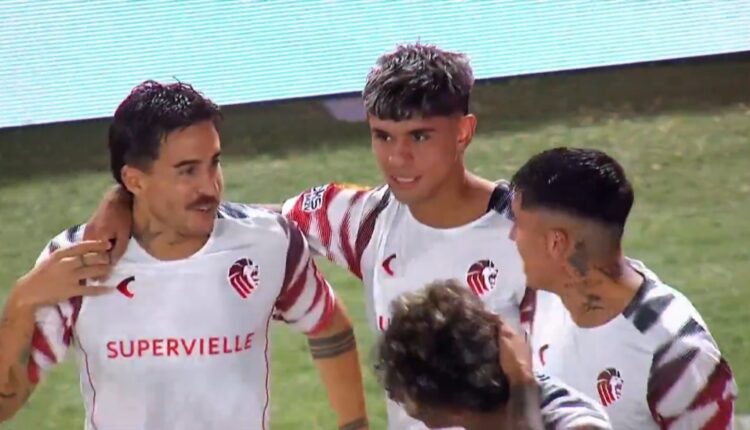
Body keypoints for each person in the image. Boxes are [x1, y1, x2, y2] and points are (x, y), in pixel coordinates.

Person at [84, 44, 528, 430]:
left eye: (420, 136)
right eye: (383, 136)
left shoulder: (528, 234)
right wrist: (124, 200)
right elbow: (239, 222)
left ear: (463, 132)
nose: (398, 157)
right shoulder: (363, 221)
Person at [0, 81, 369, 430]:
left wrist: (354, 425)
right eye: (187, 171)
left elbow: (328, 324)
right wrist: (21, 305)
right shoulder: (76, 261)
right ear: (134, 180)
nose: (210, 186)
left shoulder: (269, 242)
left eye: (214, 163)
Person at [508, 147, 738, 429]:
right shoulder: (537, 302)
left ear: (557, 243)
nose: (511, 237)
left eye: (518, 224)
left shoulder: (674, 351)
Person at [375, 279, 612, 430]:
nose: (396, 396)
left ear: (457, 409)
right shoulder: (474, 421)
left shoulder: (573, 420)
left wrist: (522, 381)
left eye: (405, 392)